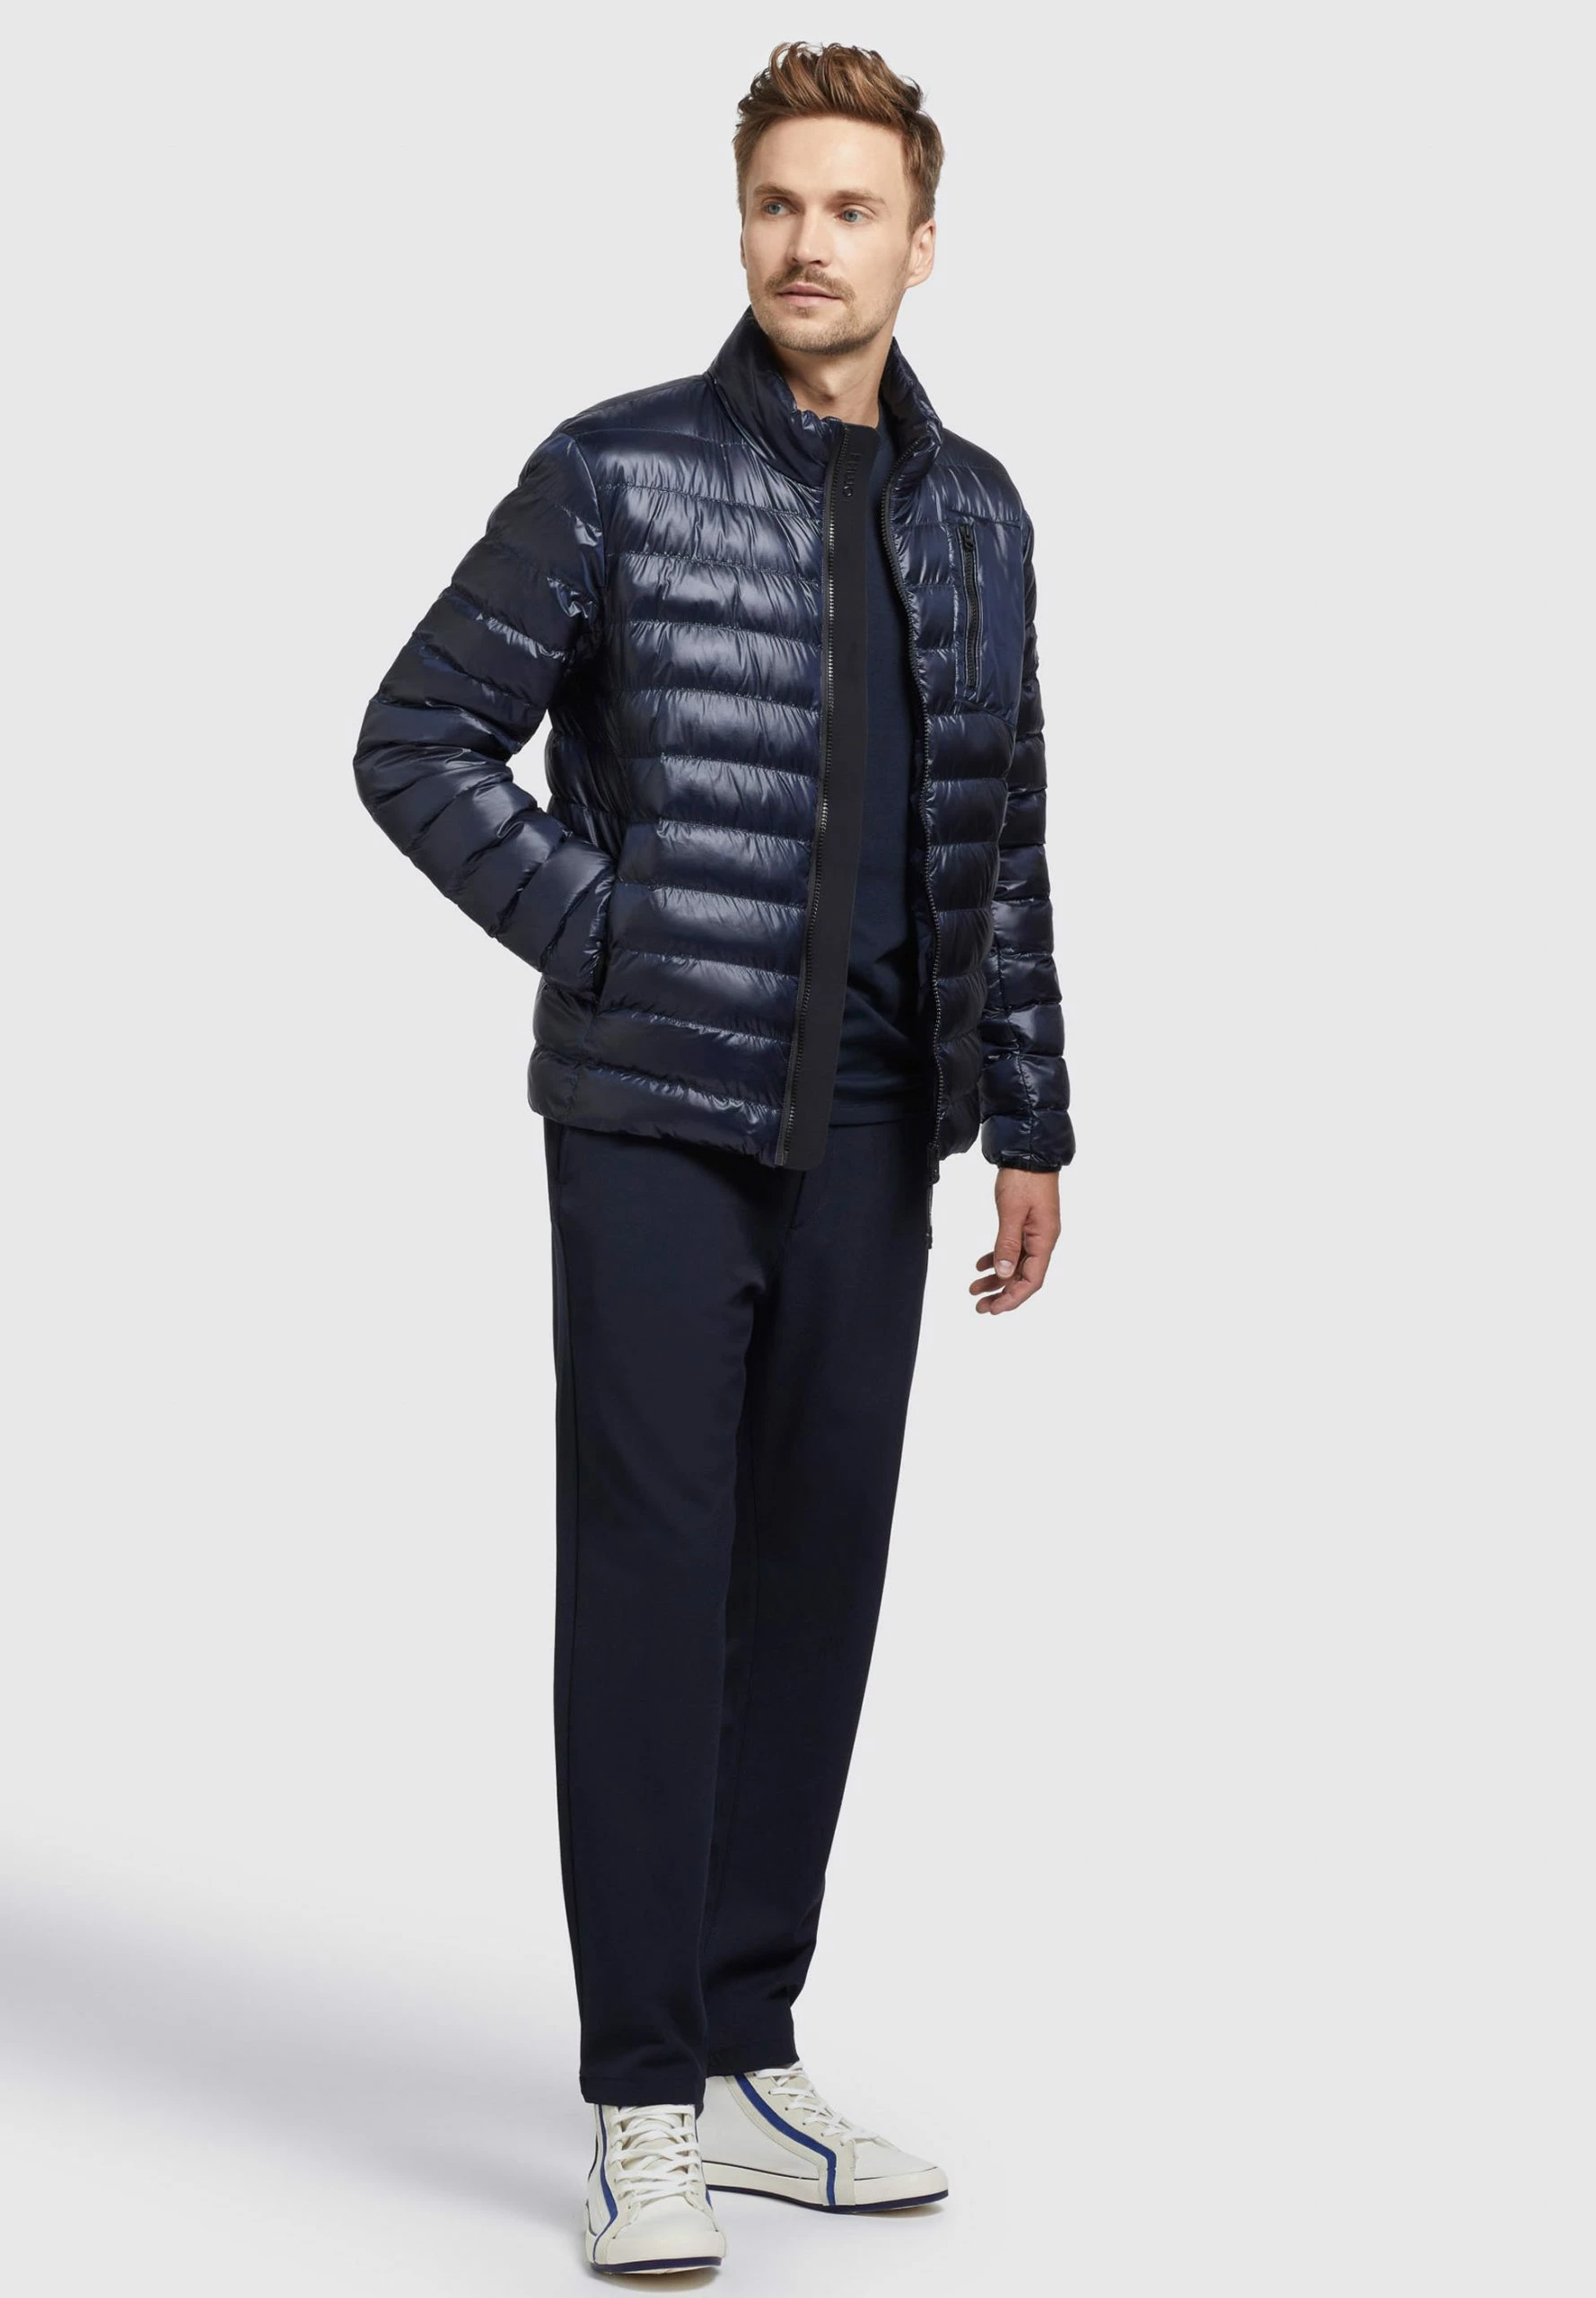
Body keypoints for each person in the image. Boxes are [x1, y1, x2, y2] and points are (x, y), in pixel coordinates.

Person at [352, 38, 1074, 2278]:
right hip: (657, 1123)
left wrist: (1032, 1110)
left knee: (815, 1586)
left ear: (922, 243)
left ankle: (750, 2048)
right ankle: (640, 2092)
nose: (806, 241)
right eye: (777, 202)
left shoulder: (977, 514)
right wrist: (612, 934)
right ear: (738, 221)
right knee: (655, 1589)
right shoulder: (618, 474)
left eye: (851, 208)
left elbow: (1005, 827)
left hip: (878, 1127)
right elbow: (414, 737)